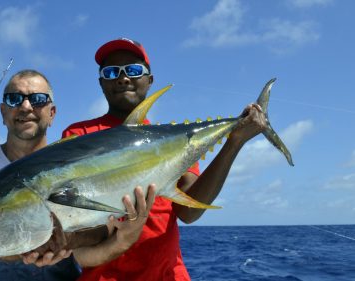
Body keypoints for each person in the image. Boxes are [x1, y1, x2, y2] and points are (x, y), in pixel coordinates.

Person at [61, 38, 270, 280]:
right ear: (101, 83)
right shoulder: (77, 136)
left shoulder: (173, 141)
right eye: (111, 72)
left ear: (150, 81)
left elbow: (188, 212)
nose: (123, 78)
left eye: (134, 70)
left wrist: (235, 142)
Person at [0, 69, 79, 281]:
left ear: (52, 113)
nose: (26, 107)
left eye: (38, 100)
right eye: (15, 99)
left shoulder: (74, 163)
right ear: (3, 112)